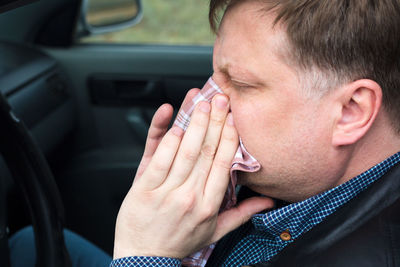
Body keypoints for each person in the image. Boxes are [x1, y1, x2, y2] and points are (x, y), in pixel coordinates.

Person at [110, 0, 400, 266]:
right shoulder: (301, 178)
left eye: (240, 83)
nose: (205, 101)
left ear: (350, 111)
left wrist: (144, 250)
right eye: (214, 76)